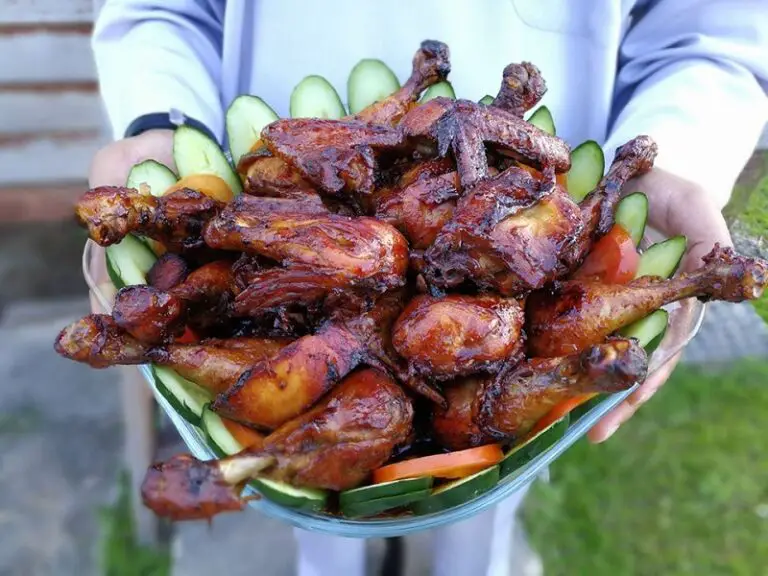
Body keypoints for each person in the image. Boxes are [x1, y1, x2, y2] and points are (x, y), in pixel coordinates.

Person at [87, 1, 768, 574]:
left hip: (528, 201)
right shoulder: (334, 213)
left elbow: (710, 30)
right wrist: (158, 118)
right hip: (303, 154)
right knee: (329, 508)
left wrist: (676, 155)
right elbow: (157, 8)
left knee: (485, 492)